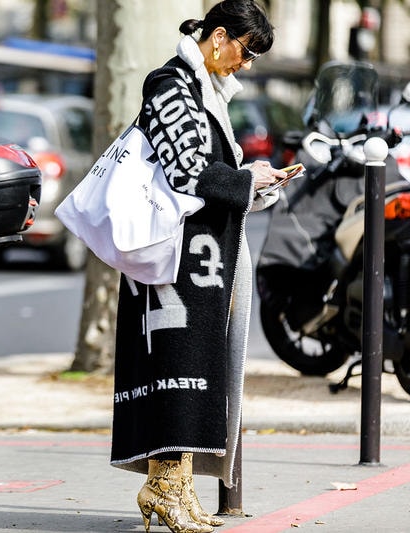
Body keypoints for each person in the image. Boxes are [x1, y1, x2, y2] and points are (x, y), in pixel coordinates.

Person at [109, 1, 285, 532]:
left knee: (199, 374)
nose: (247, 64)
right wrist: (247, 181)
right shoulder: (169, 84)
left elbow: (207, 169)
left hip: (202, 261)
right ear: (219, 36)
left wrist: (255, 180)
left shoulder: (204, 90)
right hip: (172, 261)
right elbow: (186, 170)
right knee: (174, 372)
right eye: (246, 50)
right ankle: (161, 490)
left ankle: (177, 488)